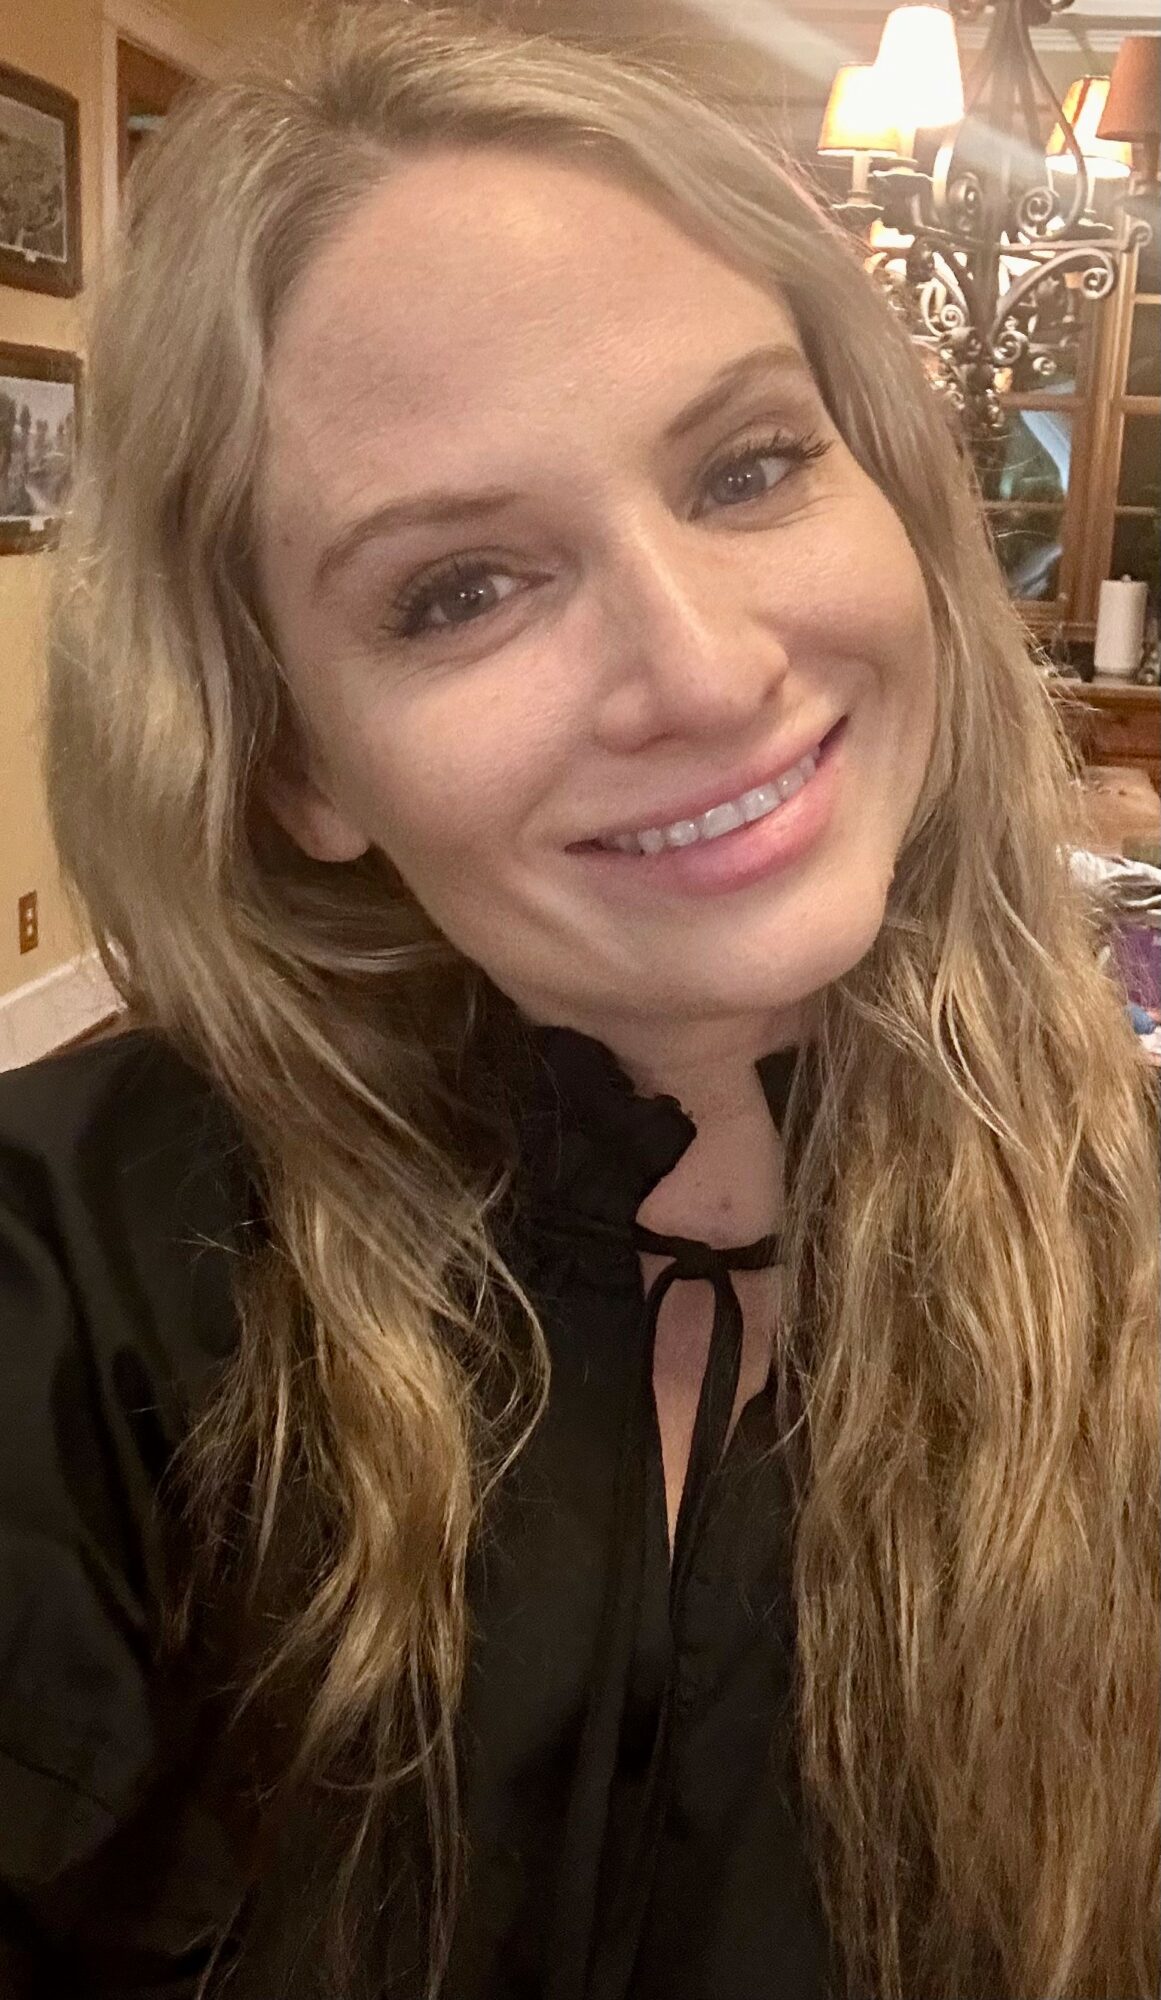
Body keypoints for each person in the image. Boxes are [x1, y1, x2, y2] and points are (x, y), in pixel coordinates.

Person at [0, 6, 1157, 1996]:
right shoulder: (70, 1283)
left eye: (748, 466)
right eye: (459, 588)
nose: (702, 672)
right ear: (297, 761)